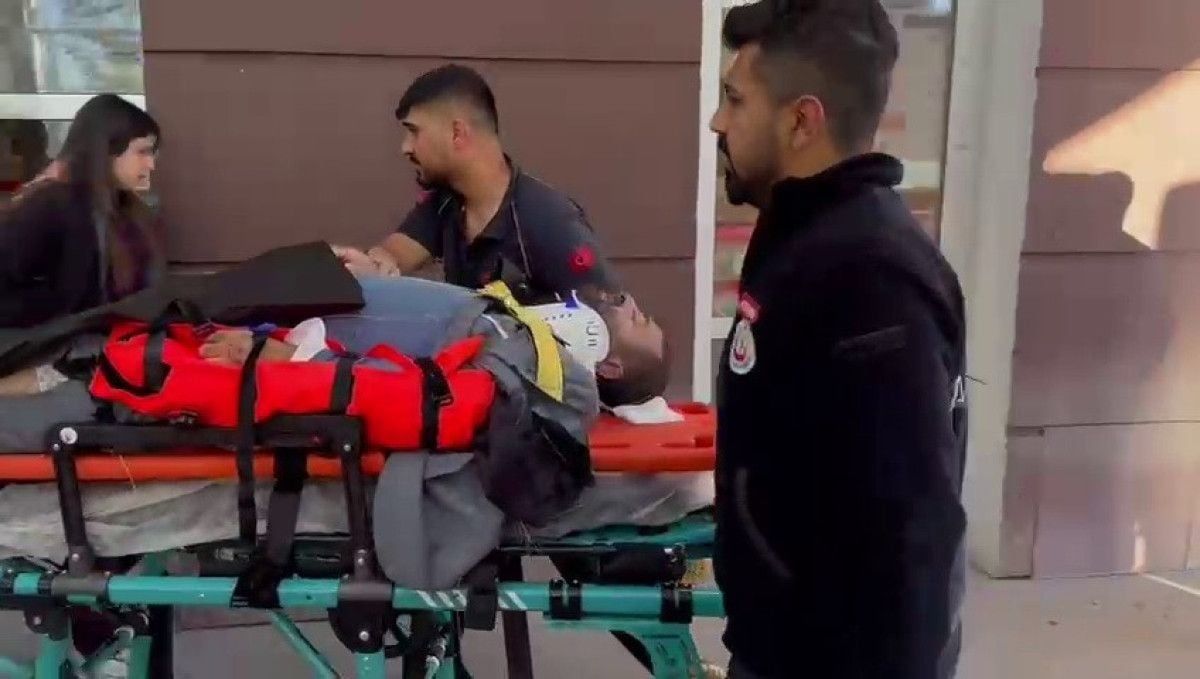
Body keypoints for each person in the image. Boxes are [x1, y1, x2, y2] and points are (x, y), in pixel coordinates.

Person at [708, 2, 967, 679]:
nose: (717, 122)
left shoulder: (869, 276)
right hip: (782, 647)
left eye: (735, 99)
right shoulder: (808, 240)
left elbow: (912, 531)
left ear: (802, 120)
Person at [332, 64, 622, 304]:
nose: (405, 148)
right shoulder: (447, 203)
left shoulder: (549, 221)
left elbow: (615, 322)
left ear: (457, 133)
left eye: (414, 132)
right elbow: (396, 253)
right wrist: (373, 264)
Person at [198, 275, 669, 411]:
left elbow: (416, 392)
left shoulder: (523, 365)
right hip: (291, 316)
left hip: (280, 351)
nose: (627, 301)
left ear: (608, 367)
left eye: (637, 319)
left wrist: (299, 358)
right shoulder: (516, 332)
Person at [0, 94, 163, 328]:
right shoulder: (47, 206)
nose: (151, 165)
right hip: (54, 345)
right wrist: (58, 313)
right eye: (142, 152)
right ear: (106, 150)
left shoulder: (126, 209)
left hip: (113, 340)